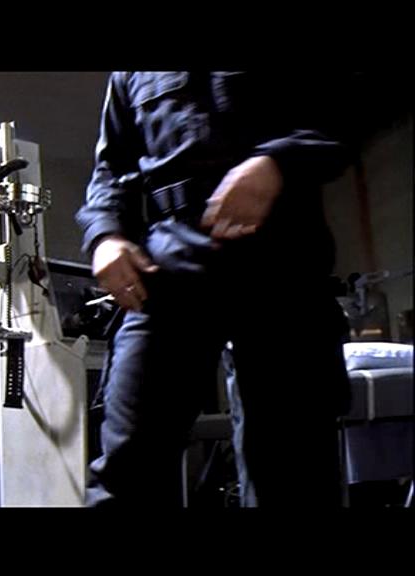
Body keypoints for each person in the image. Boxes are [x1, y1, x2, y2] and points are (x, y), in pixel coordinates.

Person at [77, 72, 352, 507]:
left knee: (292, 469)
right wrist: (105, 235)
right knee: (129, 465)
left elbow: (347, 110)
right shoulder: (129, 75)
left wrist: (278, 160)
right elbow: (111, 169)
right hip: (170, 263)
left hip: (282, 259)